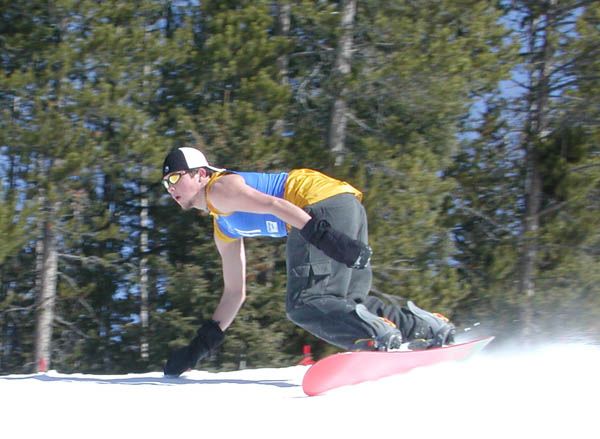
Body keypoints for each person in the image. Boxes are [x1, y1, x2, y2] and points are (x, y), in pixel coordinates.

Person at [161, 147, 455, 376]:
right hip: (342, 203)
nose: (171, 188)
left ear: (200, 173)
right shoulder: (222, 226)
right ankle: (424, 327)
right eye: (165, 184)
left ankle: (376, 337)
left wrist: (327, 239)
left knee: (304, 303)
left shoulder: (218, 189)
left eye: (175, 177)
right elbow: (235, 293)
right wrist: (198, 348)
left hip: (318, 207)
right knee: (347, 303)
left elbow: (274, 205)